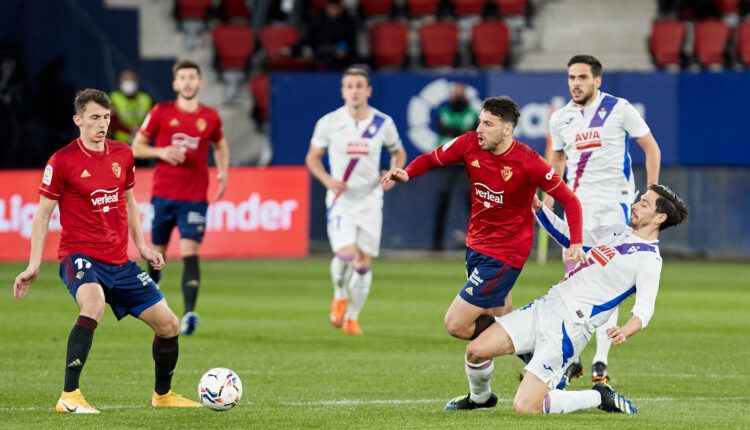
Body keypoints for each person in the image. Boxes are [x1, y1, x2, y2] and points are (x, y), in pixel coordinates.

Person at [13, 89, 200, 413]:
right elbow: (42, 214)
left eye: (106, 117)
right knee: (93, 302)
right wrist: (33, 265)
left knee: (169, 325)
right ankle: (69, 396)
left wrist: (142, 246)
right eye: (95, 118)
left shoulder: (122, 155)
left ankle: (163, 395)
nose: (102, 124)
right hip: (79, 256)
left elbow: (129, 202)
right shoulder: (62, 161)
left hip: (120, 261)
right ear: (78, 120)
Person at [444, 184, 688, 414]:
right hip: (546, 306)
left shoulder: (650, 261)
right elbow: (570, 236)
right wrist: (540, 209)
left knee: (526, 407)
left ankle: (598, 396)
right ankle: (480, 398)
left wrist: (626, 329)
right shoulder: (616, 231)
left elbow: (644, 311)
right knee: (475, 351)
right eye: (639, 200)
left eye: (644, 204)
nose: (635, 205)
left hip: (571, 328)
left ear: (660, 218)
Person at [382, 96, 586, 343]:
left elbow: (570, 200)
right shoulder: (469, 143)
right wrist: (408, 173)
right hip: (476, 246)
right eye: (480, 122)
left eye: (488, 124)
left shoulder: (530, 162)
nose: (479, 129)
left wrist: (575, 242)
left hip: (505, 254)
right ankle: (542, 355)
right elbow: (431, 159)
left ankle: (538, 344)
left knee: (456, 324)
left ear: (507, 129)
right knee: (499, 316)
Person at [547, 54, 662, 385]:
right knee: (573, 281)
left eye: (582, 77)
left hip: (615, 208)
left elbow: (651, 148)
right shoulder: (561, 118)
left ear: (597, 80)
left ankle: (600, 361)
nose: (575, 83)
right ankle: (574, 358)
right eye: (571, 77)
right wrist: (549, 202)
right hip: (576, 210)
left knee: (607, 279)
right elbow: (555, 161)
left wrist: (651, 194)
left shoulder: (620, 108)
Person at [132, 60, 230, 336]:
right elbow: (137, 147)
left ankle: (189, 313)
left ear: (200, 83)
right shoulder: (161, 112)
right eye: (182, 77)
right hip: (164, 194)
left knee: (191, 252)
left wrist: (223, 173)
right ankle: (151, 298)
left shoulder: (210, 116)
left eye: (192, 77)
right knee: (157, 253)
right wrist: (161, 152)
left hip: (195, 196)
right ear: (175, 83)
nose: (187, 82)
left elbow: (220, 144)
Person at [306, 67, 407, 336]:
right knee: (346, 253)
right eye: (349, 85)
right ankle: (340, 294)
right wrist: (328, 181)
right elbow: (312, 158)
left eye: (359, 85)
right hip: (341, 197)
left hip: (371, 197)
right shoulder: (329, 122)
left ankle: (352, 318)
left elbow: (398, 152)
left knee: (363, 262)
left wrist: (393, 174)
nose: (354, 90)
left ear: (368, 90)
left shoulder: (382, 123)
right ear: (343, 90)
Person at [432, 83, 478, 251]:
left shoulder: (472, 113)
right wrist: (461, 133)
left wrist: (457, 134)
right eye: (455, 93)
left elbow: (471, 134)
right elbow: (444, 128)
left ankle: (477, 242)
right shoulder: (443, 111)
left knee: (471, 203)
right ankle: (436, 244)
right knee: (442, 201)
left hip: (465, 163)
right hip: (447, 162)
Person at [306, 0, 357, 70]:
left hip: (343, 51)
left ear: (341, 9)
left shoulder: (348, 22)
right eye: (332, 8)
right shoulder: (317, 21)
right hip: (322, 50)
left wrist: (344, 49)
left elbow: (351, 40)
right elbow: (309, 39)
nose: (334, 11)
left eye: (336, 8)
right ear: (326, 8)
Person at [109, 70, 152, 145]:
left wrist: (142, 130)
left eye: (132, 80)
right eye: (126, 80)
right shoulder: (113, 98)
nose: (129, 83)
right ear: (120, 83)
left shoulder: (145, 98)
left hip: (141, 142)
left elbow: (152, 119)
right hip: (119, 142)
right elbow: (110, 121)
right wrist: (129, 130)